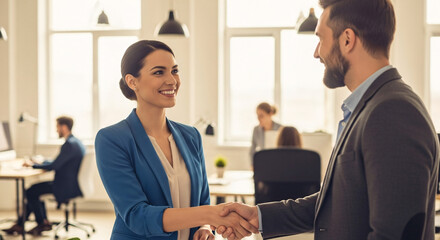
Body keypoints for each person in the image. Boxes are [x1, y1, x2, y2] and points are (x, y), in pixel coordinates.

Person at [216, 0, 439, 239]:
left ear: (347, 39)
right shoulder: (371, 107)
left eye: (321, 38)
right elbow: (338, 204)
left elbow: (393, 235)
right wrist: (258, 216)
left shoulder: (392, 112)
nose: (316, 52)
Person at [94, 40, 257, 240]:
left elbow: (202, 200)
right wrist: (211, 214)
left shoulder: (191, 136)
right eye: (158, 72)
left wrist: (205, 225)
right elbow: (137, 216)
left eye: (175, 71)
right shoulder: (112, 139)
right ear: (132, 81)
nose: (172, 80)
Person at [3, 116, 85, 236]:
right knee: (33, 191)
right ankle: (23, 224)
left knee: (31, 191)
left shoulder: (69, 144)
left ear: (64, 127)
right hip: (70, 184)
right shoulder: (76, 142)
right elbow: (58, 162)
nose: (56, 130)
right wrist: (41, 162)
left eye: (57, 127)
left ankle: (40, 223)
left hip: (64, 187)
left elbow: (54, 166)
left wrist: (32, 165)